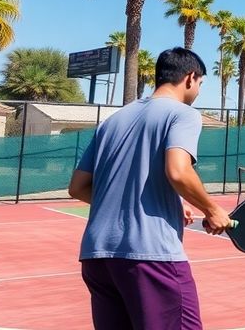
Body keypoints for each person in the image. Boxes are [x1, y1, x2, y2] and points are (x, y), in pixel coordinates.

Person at [67, 47, 232, 330]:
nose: (199, 90)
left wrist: (163, 204)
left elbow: (78, 187)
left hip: (97, 258)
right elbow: (178, 171)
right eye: (202, 83)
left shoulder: (112, 121)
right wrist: (212, 209)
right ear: (191, 78)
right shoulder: (184, 114)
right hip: (150, 256)